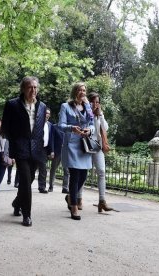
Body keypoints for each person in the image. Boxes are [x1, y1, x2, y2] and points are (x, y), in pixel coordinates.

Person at [1, 76, 47, 227]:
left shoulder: (42, 106)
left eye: (35, 87)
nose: (33, 90)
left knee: (28, 180)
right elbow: (5, 129)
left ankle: (16, 202)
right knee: (26, 181)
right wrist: (13, 146)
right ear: (23, 89)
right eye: (30, 87)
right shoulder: (12, 105)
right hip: (20, 149)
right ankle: (26, 215)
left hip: (36, 150)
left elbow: (40, 130)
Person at [59, 82, 94, 220]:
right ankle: (74, 206)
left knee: (83, 176)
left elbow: (91, 124)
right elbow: (60, 125)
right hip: (72, 145)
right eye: (80, 90)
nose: (82, 92)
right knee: (74, 176)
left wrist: (89, 130)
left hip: (84, 144)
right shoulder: (66, 106)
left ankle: (70, 197)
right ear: (75, 92)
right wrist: (71, 128)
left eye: (84, 90)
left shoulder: (87, 107)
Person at [77, 92, 113, 212]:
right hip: (86, 145)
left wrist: (101, 115)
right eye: (93, 102)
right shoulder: (85, 112)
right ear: (89, 102)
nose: (95, 104)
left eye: (98, 102)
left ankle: (102, 201)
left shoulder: (99, 114)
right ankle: (78, 198)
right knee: (83, 172)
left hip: (97, 147)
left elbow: (106, 128)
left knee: (101, 172)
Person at [48, 123, 69, 193]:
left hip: (66, 152)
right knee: (53, 169)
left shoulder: (68, 126)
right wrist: (52, 151)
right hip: (57, 151)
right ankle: (51, 186)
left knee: (67, 171)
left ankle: (65, 188)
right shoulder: (54, 127)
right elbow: (51, 139)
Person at [37, 108, 54, 193]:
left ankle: (42, 187)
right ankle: (25, 185)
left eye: (49, 113)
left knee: (43, 169)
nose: (47, 115)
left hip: (44, 149)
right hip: (35, 148)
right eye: (46, 113)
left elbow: (51, 139)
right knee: (31, 168)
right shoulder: (37, 123)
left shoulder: (50, 125)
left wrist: (51, 151)